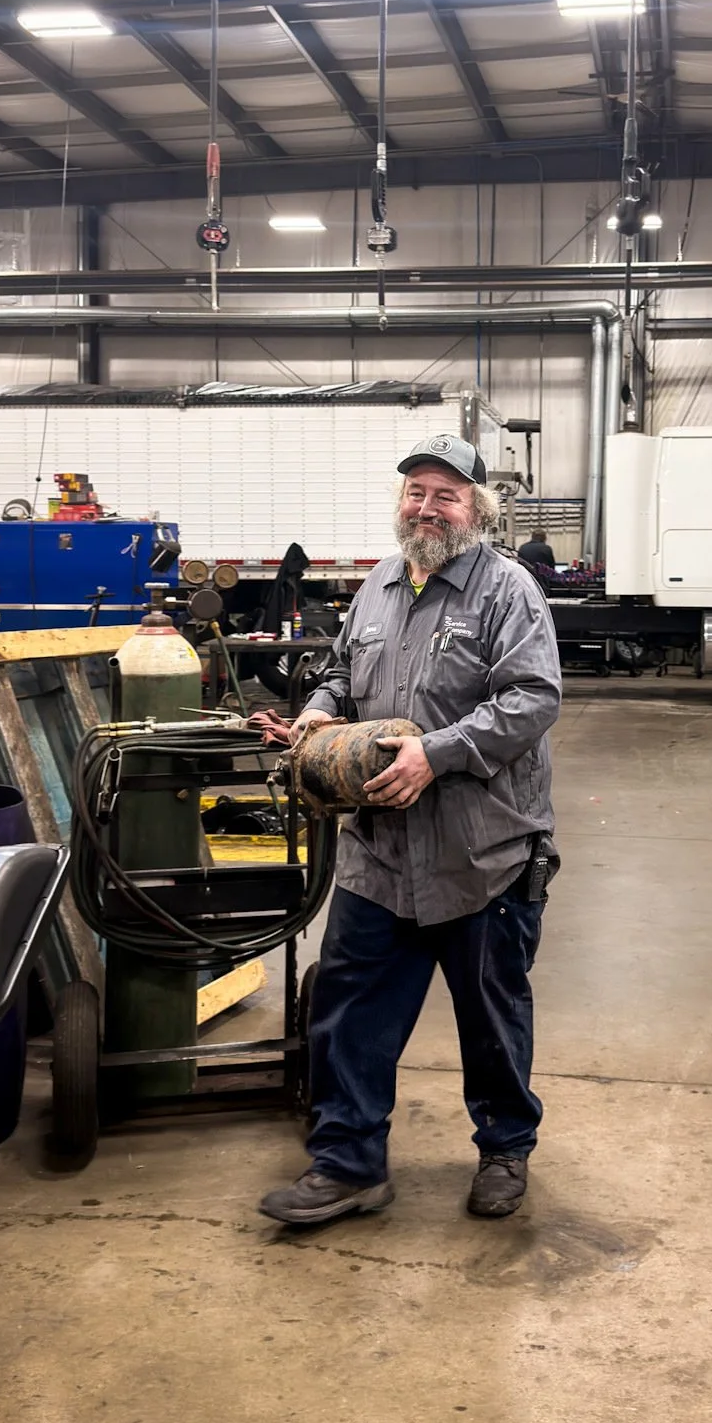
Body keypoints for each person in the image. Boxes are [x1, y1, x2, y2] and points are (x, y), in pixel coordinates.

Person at [255, 434, 562, 1228]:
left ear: (478, 511)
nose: (426, 507)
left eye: (446, 494)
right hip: (380, 850)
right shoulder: (380, 585)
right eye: (415, 492)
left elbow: (532, 700)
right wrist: (319, 712)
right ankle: (348, 1163)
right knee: (350, 1010)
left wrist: (439, 752)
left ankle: (504, 1149)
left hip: (480, 850)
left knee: (490, 1015)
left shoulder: (508, 591)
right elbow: (338, 669)